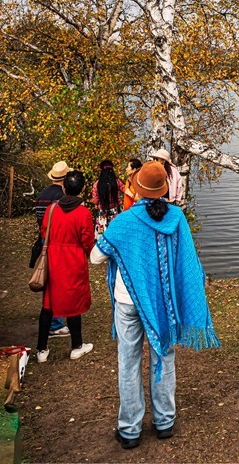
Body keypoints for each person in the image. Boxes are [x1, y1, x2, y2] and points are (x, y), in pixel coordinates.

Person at [91, 161, 220, 449]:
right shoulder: (176, 217)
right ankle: (164, 422)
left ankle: (130, 430)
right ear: (164, 189)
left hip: (127, 301)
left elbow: (95, 257)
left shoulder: (124, 222)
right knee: (163, 354)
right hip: (163, 301)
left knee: (128, 360)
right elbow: (187, 260)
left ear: (136, 187)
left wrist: (124, 252)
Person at [36, 170, 95, 363]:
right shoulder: (84, 213)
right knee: (74, 302)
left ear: (64, 187)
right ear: (82, 189)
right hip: (73, 260)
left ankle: (42, 349)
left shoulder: (51, 209)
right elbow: (88, 241)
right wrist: (90, 254)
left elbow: (44, 231)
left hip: (53, 259)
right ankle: (77, 346)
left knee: (48, 303)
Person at [32, 160, 71, 340]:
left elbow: (39, 220)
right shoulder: (61, 198)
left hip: (44, 240)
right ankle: (55, 323)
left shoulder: (42, 195)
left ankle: (52, 319)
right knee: (57, 282)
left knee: (48, 280)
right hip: (57, 242)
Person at [92, 160, 126, 238]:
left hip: (102, 212)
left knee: (102, 236)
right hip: (115, 211)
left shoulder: (97, 184)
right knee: (116, 234)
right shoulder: (117, 182)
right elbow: (126, 190)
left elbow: (95, 200)